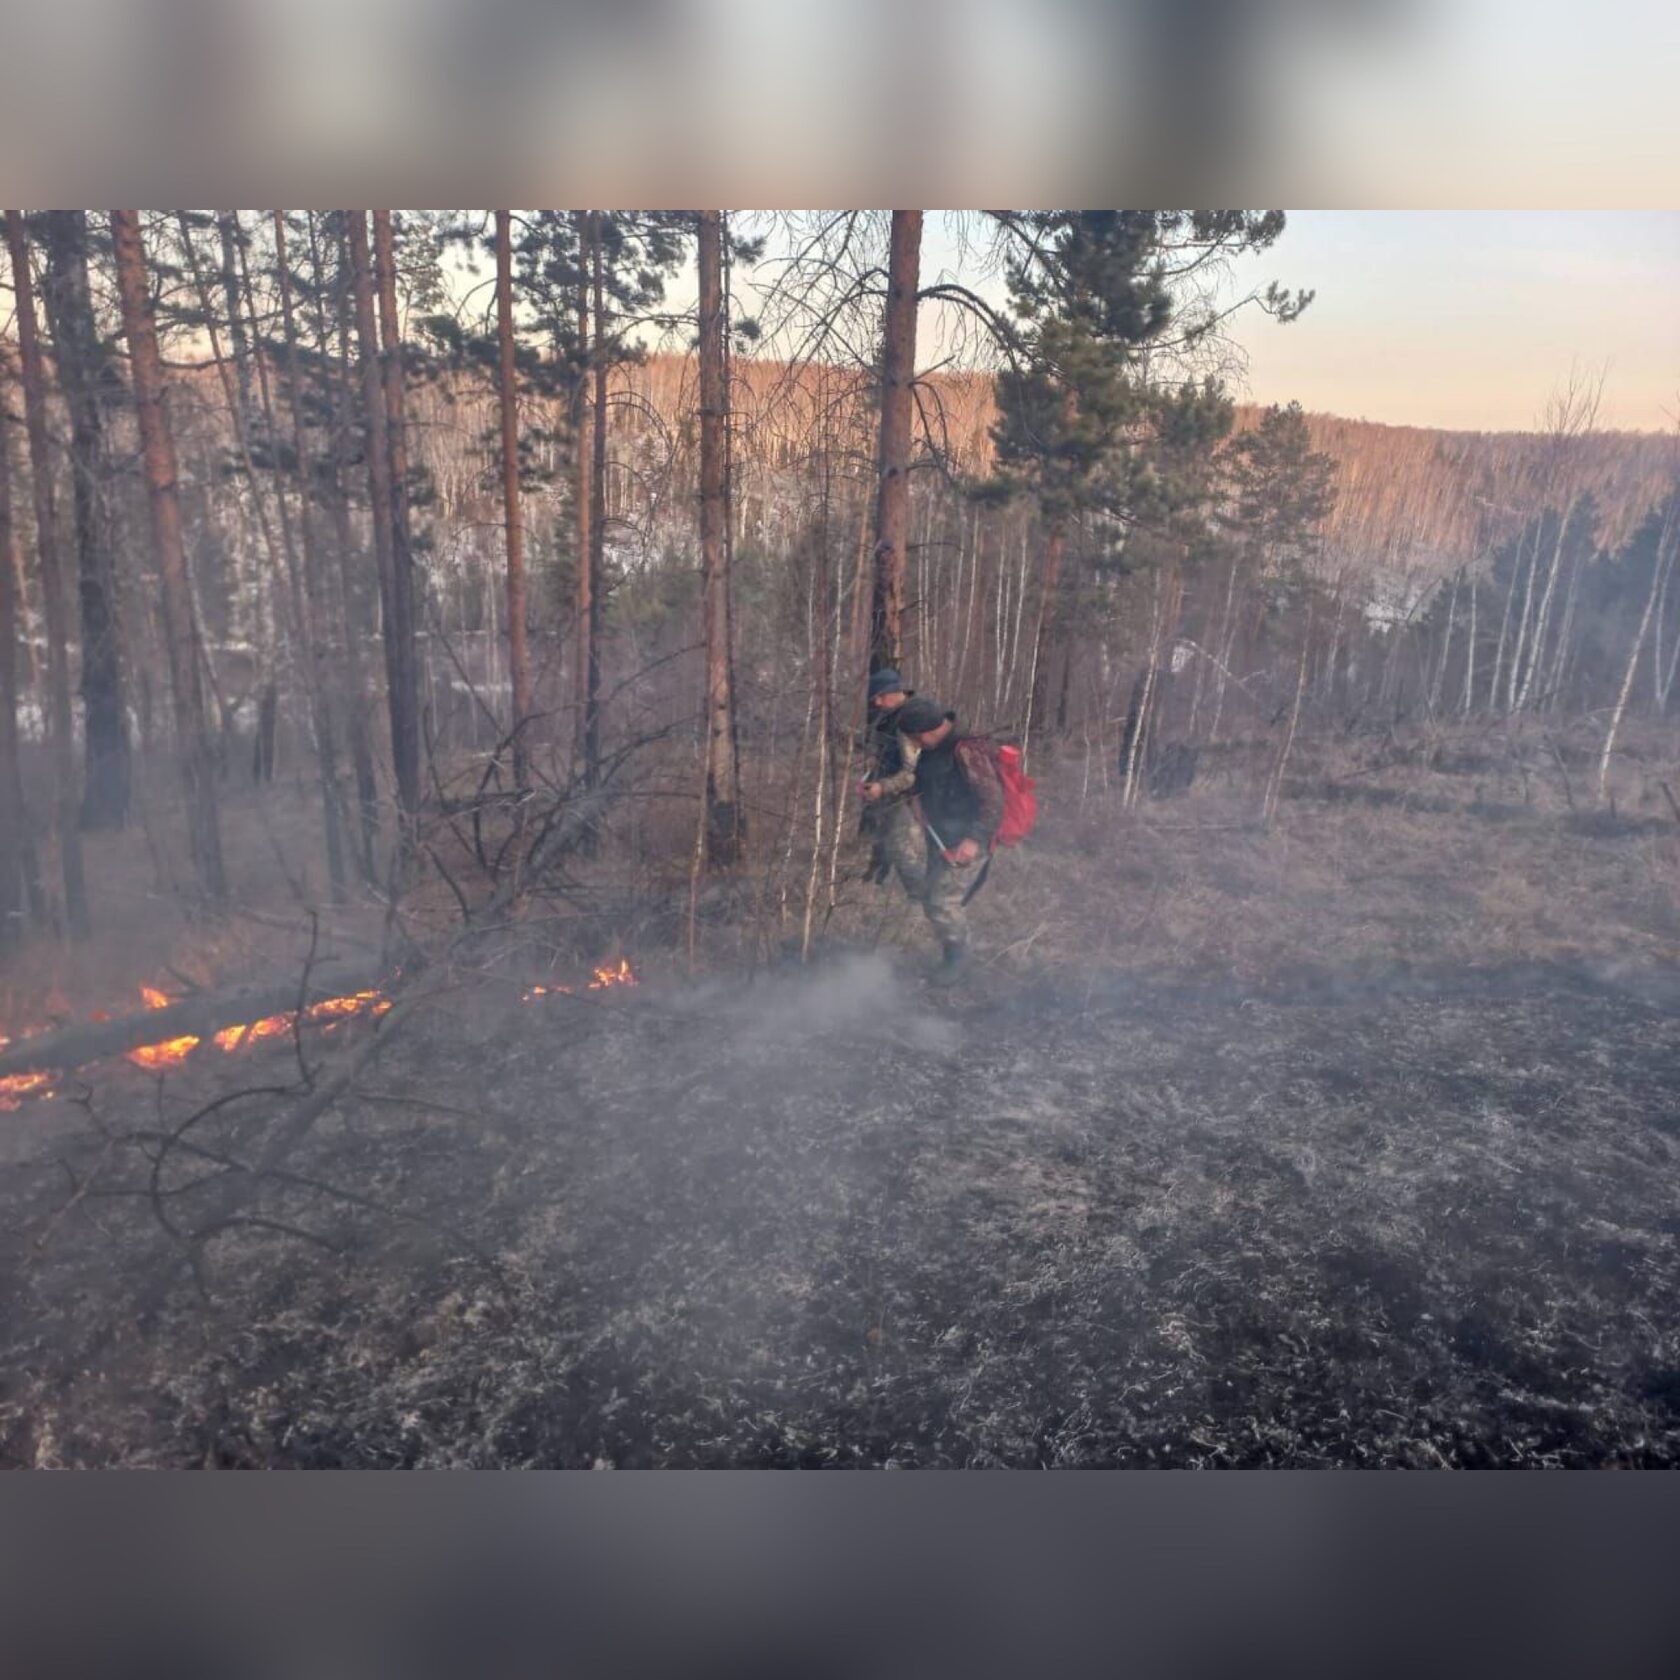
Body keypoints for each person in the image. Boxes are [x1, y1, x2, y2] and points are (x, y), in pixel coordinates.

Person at [896, 696, 1005, 983]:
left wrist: (974, 839)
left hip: (967, 840)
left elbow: (993, 800)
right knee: (935, 896)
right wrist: (917, 801)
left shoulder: (966, 750)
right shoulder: (934, 751)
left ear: (926, 731)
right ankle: (952, 954)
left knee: (942, 901)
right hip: (942, 837)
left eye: (916, 738)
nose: (915, 744)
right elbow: (924, 782)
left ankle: (958, 963)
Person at [858, 667, 924, 895]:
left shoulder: (908, 721)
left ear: (894, 692)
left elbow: (911, 772)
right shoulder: (891, 716)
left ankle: (922, 899)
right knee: (886, 840)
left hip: (909, 796)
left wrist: (882, 786)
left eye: (880, 696)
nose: (876, 702)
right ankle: (878, 883)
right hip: (892, 795)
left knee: (903, 848)